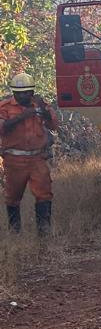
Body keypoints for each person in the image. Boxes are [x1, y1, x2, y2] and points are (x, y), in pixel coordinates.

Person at [1, 73, 58, 236]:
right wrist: (23, 116)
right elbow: (2, 128)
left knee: (44, 193)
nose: (22, 95)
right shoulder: (5, 107)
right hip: (14, 160)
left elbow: (54, 125)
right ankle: (15, 233)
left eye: (26, 92)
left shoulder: (40, 105)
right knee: (12, 196)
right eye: (18, 92)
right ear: (13, 92)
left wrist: (43, 111)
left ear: (32, 92)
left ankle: (44, 232)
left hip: (37, 159)